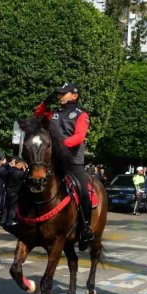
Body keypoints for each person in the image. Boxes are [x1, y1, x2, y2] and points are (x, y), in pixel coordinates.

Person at [33, 82, 94, 250]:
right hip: (53, 161)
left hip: (72, 162)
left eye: (64, 93)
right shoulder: (54, 113)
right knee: (30, 180)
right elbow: (37, 114)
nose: (61, 96)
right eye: (59, 94)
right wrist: (46, 101)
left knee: (84, 193)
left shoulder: (81, 115)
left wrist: (61, 143)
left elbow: (80, 136)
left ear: (74, 95)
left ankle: (85, 230)